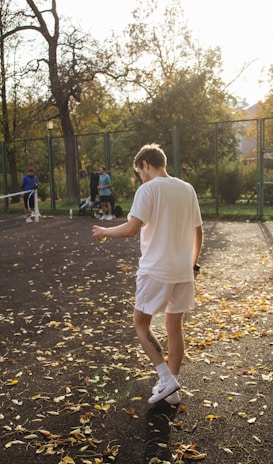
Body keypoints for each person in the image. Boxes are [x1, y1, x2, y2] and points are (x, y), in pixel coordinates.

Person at [92, 144, 203, 405]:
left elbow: (132, 228)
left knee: (141, 324)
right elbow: (198, 231)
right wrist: (193, 264)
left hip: (156, 270)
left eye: (138, 170)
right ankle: (172, 390)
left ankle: (166, 379)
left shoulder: (148, 189)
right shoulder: (187, 189)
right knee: (174, 327)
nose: (139, 176)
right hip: (182, 271)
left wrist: (104, 231)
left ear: (145, 164)